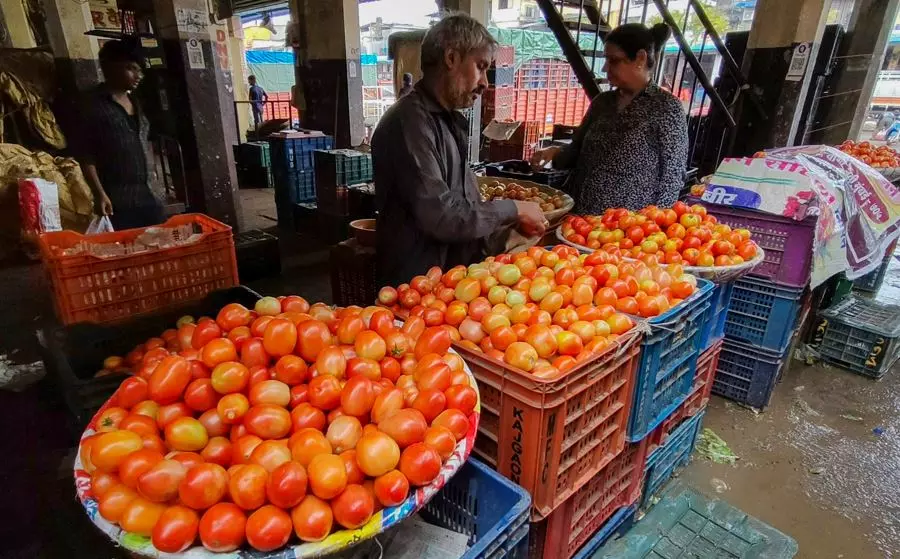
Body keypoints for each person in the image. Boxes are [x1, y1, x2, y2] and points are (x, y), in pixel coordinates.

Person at [372, 14, 547, 285]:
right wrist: (513, 208)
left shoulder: (446, 119)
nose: (485, 83)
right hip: (417, 285)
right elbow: (442, 216)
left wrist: (507, 229)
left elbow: (465, 204)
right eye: (480, 66)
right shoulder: (410, 123)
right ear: (451, 58)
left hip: (450, 281)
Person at [531, 23, 688, 213]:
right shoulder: (602, 103)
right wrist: (555, 152)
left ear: (640, 58)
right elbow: (577, 151)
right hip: (582, 220)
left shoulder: (666, 108)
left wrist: (655, 224)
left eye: (613, 60)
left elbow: (672, 177)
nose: (605, 68)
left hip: (629, 230)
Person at [77, 39, 164, 230]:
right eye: (131, 68)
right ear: (109, 68)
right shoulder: (92, 105)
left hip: (150, 196)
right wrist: (99, 193)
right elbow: (86, 156)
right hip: (118, 200)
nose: (138, 75)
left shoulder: (137, 102)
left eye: (140, 69)